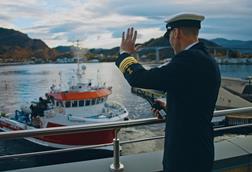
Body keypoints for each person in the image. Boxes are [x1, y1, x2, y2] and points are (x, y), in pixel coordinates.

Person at [115, 13, 221, 172]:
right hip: (200, 147)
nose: (170, 41)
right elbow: (194, 99)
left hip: (185, 155)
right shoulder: (206, 58)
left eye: (169, 35)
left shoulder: (188, 60)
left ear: (176, 33)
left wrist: (124, 54)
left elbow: (140, 78)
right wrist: (169, 108)